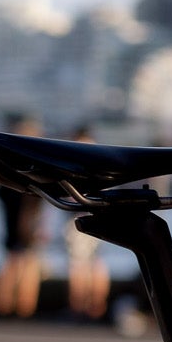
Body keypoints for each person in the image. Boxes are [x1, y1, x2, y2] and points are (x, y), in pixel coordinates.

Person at [0, 114, 45, 318]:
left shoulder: (5, 164)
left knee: (14, 260)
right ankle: (24, 307)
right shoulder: (36, 164)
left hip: (14, 217)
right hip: (29, 218)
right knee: (28, 262)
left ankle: (6, 305)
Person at [63, 128, 112, 320]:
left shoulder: (74, 162)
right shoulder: (102, 162)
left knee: (78, 265)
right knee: (97, 263)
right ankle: (97, 306)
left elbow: (68, 195)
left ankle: (78, 306)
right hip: (101, 215)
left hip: (79, 218)